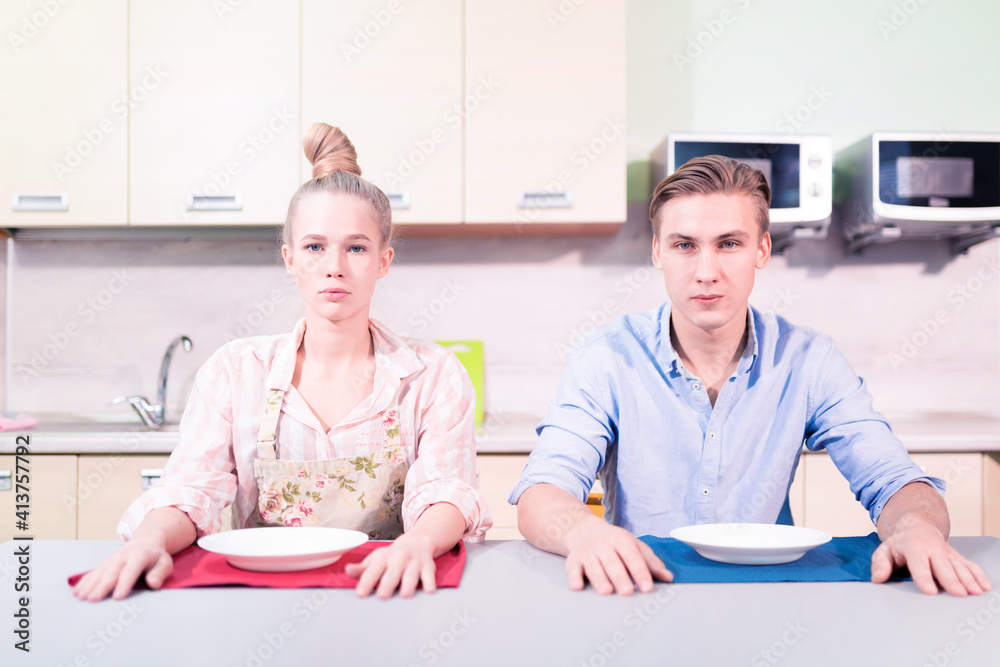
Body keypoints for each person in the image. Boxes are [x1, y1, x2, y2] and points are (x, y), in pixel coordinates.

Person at [510, 155, 991, 598]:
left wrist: (916, 530)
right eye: (684, 245)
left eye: (729, 244)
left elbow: (894, 482)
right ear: (658, 252)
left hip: (769, 598)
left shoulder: (808, 360)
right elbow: (543, 492)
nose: (706, 271)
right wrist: (586, 532)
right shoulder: (605, 359)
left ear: (762, 248)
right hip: (641, 592)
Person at [73, 123, 491, 602]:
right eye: (315, 247)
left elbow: (444, 491)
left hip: (387, 589)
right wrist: (148, 543)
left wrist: (417, 544)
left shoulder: (433, 375)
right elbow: (192, 492)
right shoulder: (235, 372)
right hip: (259, 599)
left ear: (383, 260)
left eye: (356, 247)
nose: (334, 265)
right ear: (290, 258)